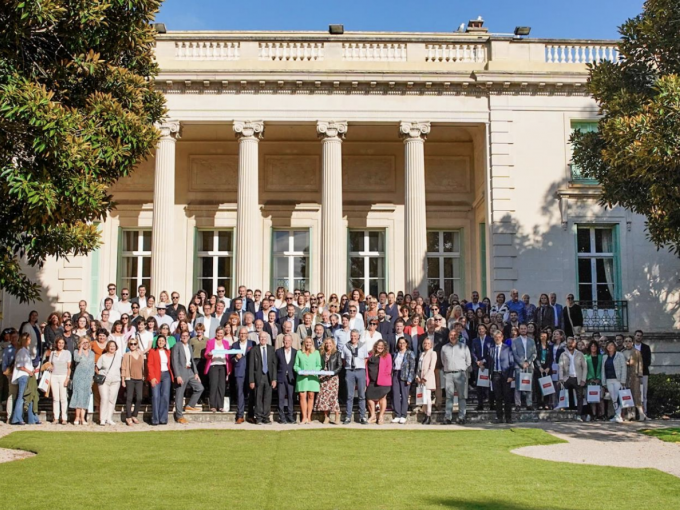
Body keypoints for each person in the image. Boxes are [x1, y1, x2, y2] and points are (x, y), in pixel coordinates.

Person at [171, 330, 205, 424]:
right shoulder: (177, 345)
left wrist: (196, 373)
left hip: (190, 371)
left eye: (186, 335)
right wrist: (177, 375)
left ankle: (190, 405)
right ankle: (179, 416)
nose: (185, 337)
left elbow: (192, 361)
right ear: (180, 336)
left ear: (189, 337)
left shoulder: (189, 346)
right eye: (183, 335)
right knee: (180, 394)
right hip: (181, 372)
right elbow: (174, 361)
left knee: (199, 388)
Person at [440, 329, 472, 425]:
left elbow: (468, 361)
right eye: (451, 335)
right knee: (449, 397)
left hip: (460, 374)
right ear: (449, 336)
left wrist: (462, 369)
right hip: (448, 374)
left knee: (461, 396)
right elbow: (443, 360)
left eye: (455, 335)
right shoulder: (444, 348)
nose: (453, 337)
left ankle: (461, 417)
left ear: (458, 336)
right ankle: (448, 417)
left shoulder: (464, 347)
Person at [10, 333, 40, 425]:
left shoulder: (26, 351)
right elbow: (20, 365)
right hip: (23, 376)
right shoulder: (21, 351)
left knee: (30, 396)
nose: (30, 341)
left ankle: (32, 419)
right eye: (29, 339)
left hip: (28, 376)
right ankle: (16, 418)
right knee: (22, 397)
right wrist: (28, 371)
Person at [248, 331, 277, 424]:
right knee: (258, 398)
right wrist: (251, 380)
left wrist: (274, 379)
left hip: (268, 377)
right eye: (261, 337)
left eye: (264, 337)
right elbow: (251, 366)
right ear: (258, 338)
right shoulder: (254, 350)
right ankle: (259, 418)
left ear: (267, 339)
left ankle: (266, 417)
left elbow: (274, 365)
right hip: (258, 377)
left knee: (267, 398)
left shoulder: (271, 349)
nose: (263, 339)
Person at [487, 330, 515, 424]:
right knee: (498, 397)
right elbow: (489, 363)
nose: (497, 339)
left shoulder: (507, 348)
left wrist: (511, 375)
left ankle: (508, 417)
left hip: (506, 375)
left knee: (507, 397)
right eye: (495, 337)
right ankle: (499, 417)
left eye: (499, 337)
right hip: (495, 374)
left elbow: (512, 363)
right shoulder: (491, 348)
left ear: (502, 337)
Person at [342, 329, 369, 425]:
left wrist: (359, 366)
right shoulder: (346, 346)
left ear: (358, 337)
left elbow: (365, 358)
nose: (353, 338)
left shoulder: (363, 346)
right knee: (350, 395)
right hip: (349, 371)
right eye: (352, 336)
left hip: (360, 371)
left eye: (355, 336)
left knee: (362, 395)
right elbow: (344, 359)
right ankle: (348, 416)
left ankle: (362, 416)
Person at [558, 336, 587, 421]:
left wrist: (583, 379)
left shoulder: (580, 354)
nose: (570, 344)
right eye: (569, 343)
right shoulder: (563, 354)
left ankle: (579, 414)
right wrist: (561, 379)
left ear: (575, 343)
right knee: (565, 395)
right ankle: (565, 413)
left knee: (579, 397)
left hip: (578, 378)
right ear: (566, 343)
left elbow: (585, 367)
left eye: (572, 343)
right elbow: (560, 367)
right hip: (567, 378)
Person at [294, 337, 322, 424]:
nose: (308, 344)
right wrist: (301, 372)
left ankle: (309, 417)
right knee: (302, 396)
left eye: (310, 342)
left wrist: (314, 371)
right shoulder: (299, 352)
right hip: (302, 378)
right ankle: (304, 417)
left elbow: (319, 365)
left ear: (312, 343)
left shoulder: (316, 353)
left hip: (312, 378)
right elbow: (296, 366)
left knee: (311, 396)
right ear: (304, 343)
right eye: (306, 342)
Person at [147, 335, 173, 426]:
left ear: (165, 342)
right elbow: (149, 365)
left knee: (165, 396)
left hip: (166, 375)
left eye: (163, 341)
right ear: (157, 342)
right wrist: (152, 377)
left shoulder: (168, 352)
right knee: (156, 396)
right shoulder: (152, 351)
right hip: (156, 375)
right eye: (159, 340)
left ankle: (163, 419)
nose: (161, 342)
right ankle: (155, 419)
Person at [315, 337, 342, 424]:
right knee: (324, 397)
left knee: (333, 397)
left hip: (333, 378)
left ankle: (337, 416)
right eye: (326, 343)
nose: (328, 345)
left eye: (330, 343)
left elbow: (340, 366)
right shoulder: (321, 353)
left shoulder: (337, 353)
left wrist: (332, 373)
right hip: (323, 378)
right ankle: (326, 417)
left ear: (333, 344)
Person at [96, 340, 122, 426]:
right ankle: (102, 419)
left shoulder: (119, 357)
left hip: (115, 380)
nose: (112, 347)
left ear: (116, 347)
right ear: (107, 347)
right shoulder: (103, 357)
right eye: (110, 346)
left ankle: (109, 418)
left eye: (113, 346)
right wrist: (99, 375)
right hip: (104, 381)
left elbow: (122, 368)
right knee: (104, 398)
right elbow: (97, 367)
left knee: (112, 399)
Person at [204, 327, 230, 412]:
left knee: (222, 386)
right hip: (213, 365)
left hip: (223, 366)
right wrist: (209, 354)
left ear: (223, 334)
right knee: (213, 385)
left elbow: (228, 356)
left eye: (221, 333)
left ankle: (220, 406)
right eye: (218, 333)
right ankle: (213, 405)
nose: (219, 334)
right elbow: (206, 354)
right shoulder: (210, 342)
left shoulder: (226, 343)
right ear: (216, 333)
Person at [70, 337, 95, 425]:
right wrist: (80, 348)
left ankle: (82, 418)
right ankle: (77, 417)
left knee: (85, 396)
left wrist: (92, 378)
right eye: (83, 342)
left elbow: (92, 366)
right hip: (79, 377)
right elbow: (77, 359)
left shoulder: (92, 353)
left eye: (87, 342)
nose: (85, 344)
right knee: (78, 396)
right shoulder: (76, 352)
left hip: (88, 377)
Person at [47, 337, 71, 424]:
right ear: (56, 344)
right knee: (55, 398)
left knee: (63, 398)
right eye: (59, 343)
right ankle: (56, 417)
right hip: (54, 376)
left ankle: (64, 417)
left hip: (63, 376)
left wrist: (67, 378)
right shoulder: (52, 353)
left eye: (62, 343)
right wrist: (50, 368)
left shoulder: (67, 353)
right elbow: (50, 364)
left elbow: (69, 367)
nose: (60, 344)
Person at [511, 324, 537, 410]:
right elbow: (514, 354)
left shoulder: (531, 341)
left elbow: (534, 353)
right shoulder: (515, 341)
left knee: (529, 385)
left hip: (529, 365)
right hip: (519, 366)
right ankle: (518, 404)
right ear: (519, 330)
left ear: (527, 330)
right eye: (521, 329)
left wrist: (528, 362)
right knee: (518, 386)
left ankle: (529, 404)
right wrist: (522, 363)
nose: (523, 330)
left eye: (524, 329)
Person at [391, 337, 415, 424]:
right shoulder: (396, 353)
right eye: (400, 343)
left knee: (405, 396)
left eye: (403, 343)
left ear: (406, 344)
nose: (402, 345)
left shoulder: (410, 353)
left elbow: (412, 367)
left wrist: (410, 378)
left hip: (405, 375)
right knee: (396, 395)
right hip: (396, 374)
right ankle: (397, 415)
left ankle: (403, 415)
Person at [601, 340, 627, 424]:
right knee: (613, 398)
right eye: (608, 345)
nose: (610, 347)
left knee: (617, 398)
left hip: (617, 380)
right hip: (609, 380)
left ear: (615, 347)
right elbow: (602, 370)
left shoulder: (620, 355)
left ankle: (619, 415)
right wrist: (603, 381)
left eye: (611, 345)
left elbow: (624, 367)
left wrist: (623, 380)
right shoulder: (605, 357)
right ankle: (617, 414)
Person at [121, 337, 144, 426]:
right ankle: (128, 417)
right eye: (131, 344)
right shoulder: (127, 355)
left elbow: (143, 366)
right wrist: (123, 380)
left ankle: (135, 414)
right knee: (129, 398)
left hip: (139, 379)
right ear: (129, 345)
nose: (133, 345)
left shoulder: (141, 355)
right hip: (129, 378)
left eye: (134, 344)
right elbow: (123, 367)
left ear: (137, 345)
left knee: (139, 398)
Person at [622, 336, 647, 421]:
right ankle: (630, 414)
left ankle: (641, 414)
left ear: (632, 342)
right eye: (626, 341)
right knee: (627, 395)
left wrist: (640, 375)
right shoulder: (622, 352)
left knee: (636, 395)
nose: (628, 342)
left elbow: (640, 363)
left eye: (629, 341)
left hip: (634, 376)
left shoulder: (637, 352)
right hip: (625, 376)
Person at [275, 334, 298, 424]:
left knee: (291, 397)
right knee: (280, 398)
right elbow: (275, 366)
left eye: (288, 340)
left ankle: (290, 416)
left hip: (291, 378)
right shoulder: (278, 351)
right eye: (285, 340)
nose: (287, 342)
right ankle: (281, 416)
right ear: (283, 341)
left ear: (291, 341)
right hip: (281, 377)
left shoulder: (296, 352)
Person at [471, 324, 493, 411]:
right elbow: (473, 352)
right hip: (478, 366)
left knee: (488, 386)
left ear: (485, 330)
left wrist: (483, 361)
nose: (481, 330)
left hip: (487, 365)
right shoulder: (474, 340)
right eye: (479, 329)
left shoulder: (490, 340)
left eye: (482, 329)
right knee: (479, 386)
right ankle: (480, 404)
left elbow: (491, 352)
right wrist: (478, 362)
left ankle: (491, 404)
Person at [415, 337, 437, 425]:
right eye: (425, 343)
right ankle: (424, 413)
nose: (426, 345)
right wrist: (417, 376)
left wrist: (425, 378)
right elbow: (419, 367)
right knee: (423, 398)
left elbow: (432, 367)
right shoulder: (422, 354)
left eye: (428, 343)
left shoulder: (433, 353)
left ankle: (428, 415)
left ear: (431, 345)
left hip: (428, 379)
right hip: (421, 379)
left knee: (428, 398)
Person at [534, 331, 554, 411]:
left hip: (547, 369)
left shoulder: (550, 347)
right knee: (538, 388)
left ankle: (546, 403)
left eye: (545, 336)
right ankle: (539, 403)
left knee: (547, 387)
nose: (543, 338)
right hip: (539, 369)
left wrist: (548, 367)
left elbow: (551, 358)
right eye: (542, 336)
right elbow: (535, 357)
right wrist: (539, 367)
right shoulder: (537, 346)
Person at [585, 340, 604, 421]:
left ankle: (602, 414)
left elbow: (602, 369)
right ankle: (594, 414)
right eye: (592, 346)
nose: (593, 348)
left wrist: (599, 378)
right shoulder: (585, 357)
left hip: (599, 380)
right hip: (590, 380)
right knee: (592, 398)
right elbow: (585, 369)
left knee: (601, 398)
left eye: (595, 346)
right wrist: (590, 378)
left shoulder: (601, 357)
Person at [634, 330, 651, 415]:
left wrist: (640, 366)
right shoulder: (631, 347)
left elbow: (648, 362)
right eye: (637, 335)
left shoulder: (646, 347)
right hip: (633, 374)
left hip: (644, 373)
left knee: (644, 394)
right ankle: (635, 413)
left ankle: (645, 412)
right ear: (635, 336)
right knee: (634, 394)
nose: (639, 337)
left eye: (640, 335)